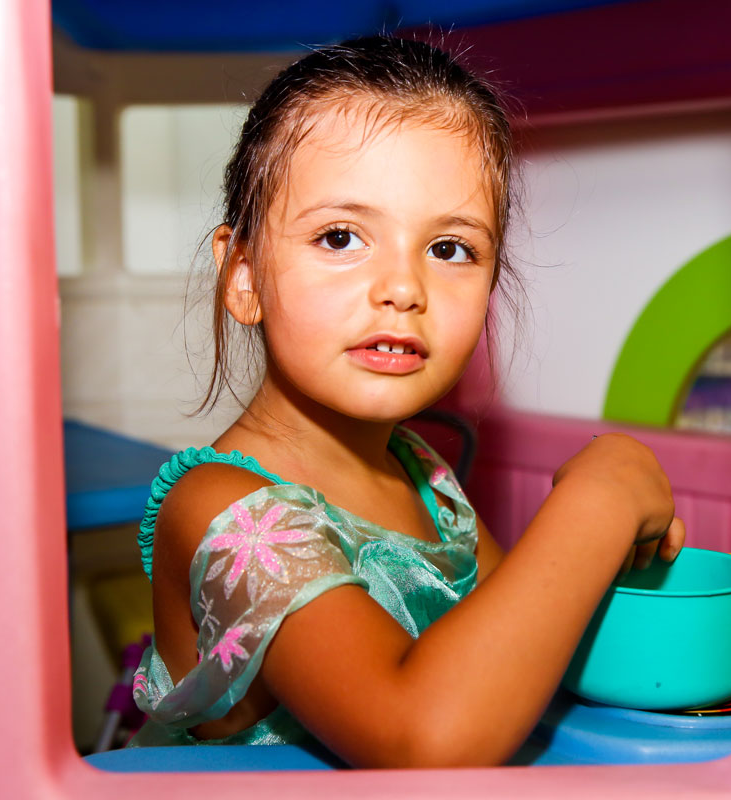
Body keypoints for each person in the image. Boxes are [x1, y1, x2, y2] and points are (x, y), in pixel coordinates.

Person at [128, 34, 685, 767]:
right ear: (243, 276)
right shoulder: (222, 509)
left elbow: (514, 657)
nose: (403, 288)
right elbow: (422, 738)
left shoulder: (422, 475)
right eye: (340, 237)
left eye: (449, 249)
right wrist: (599, 499)